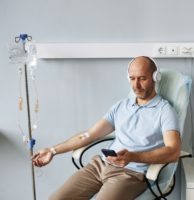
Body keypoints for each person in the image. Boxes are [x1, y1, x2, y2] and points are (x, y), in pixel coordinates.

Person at [32, 56, 181, 200]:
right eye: (132, 78)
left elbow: (173, 151)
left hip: (131, 173)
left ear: (155, 77)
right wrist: (52, 151)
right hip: (100, 165)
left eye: (142, 78)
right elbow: (88, 135)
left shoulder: (165, 111)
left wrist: (133, 157)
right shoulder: (121, 106)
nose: (136, 85)